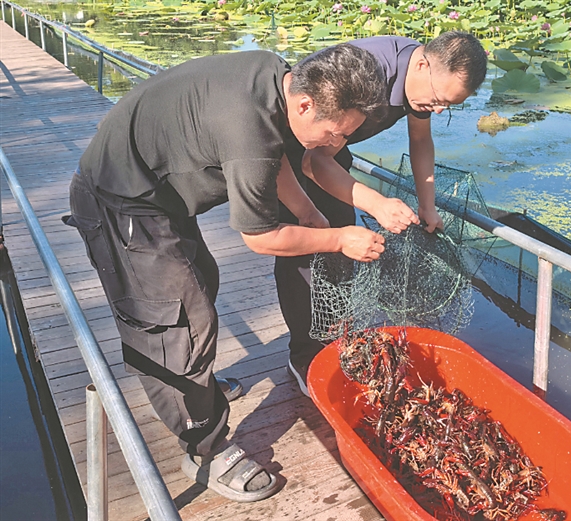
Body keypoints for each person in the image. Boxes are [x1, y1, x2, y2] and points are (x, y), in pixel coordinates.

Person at [64, 45, 388, 502]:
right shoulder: (248, 129)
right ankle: (206, 451)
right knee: (178, 323)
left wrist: (312, 216)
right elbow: (260, 237)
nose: (334, 145)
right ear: (304, 105)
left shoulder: (278, 75)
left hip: (160, 193)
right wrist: (338, 239)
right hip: (121, 201)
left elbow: (274, 161)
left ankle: (201, 394)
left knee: (202, 280)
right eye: (334, 133)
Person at [276, 32, 488, 396]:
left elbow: (420, 140)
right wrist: (377, 204)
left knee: (343, 246)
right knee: (309, 253)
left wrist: (428, 205)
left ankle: (335, 341)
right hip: (293, 152)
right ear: (422, 64)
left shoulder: (418, 81)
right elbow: (313, 162)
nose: (437, 109)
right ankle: (305, 357)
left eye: (447, 106)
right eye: (438, 99)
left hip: (331, 148)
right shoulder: (366, 78)